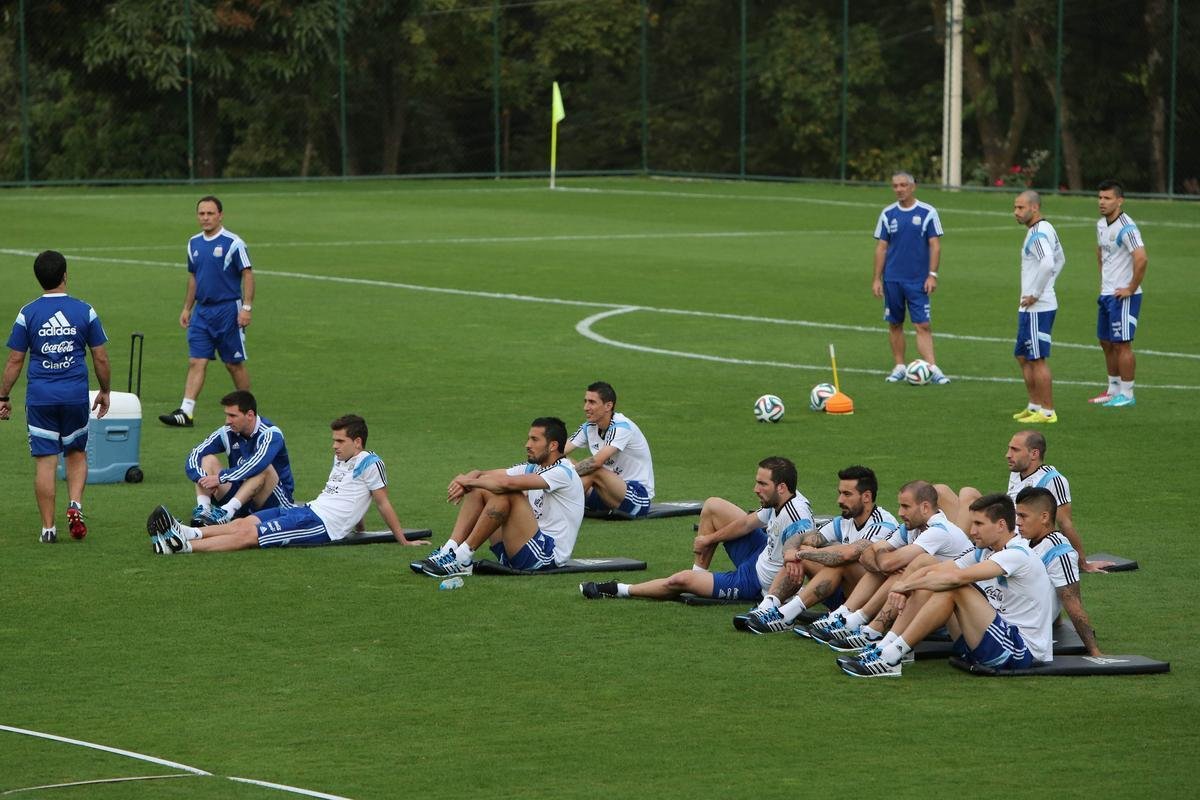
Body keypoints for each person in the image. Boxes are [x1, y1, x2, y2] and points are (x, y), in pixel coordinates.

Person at [838, 493, 1055, 678]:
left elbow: (956, 578)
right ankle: (889, 646)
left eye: (979, 524)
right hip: (991, 637)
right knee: (931, 567)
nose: (972, 531)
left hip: (1020, 650)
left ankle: (891, 656)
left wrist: (904, 587)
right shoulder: (984, 551)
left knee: (954, 587)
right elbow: (935, 570)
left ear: (1000, 525)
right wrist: (905, 584)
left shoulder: (1017, 554)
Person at [147, 415, 420, 552]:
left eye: (340, 441)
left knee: (250, 537)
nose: (334, 446)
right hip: (309, 510)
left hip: (319, 525)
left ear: (357, 442)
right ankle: (184, 531)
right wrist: (357, 528)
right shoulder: (342, 459)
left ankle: (183, 547)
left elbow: (382, 502)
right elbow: (348, 496)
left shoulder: (370, 463)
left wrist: (403, 541)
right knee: (247, 522)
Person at [579, 457, 813, 603]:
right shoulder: (782, 499)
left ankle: (618, 589)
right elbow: (746, 523)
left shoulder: (797, 518)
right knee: (713, 506)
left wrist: (772, 600)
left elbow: (801, 560)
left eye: (762, 484)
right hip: (760, 553)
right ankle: (699, 576)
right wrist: (709, 539)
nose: (755, 489)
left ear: (781, 487)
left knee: (678, 580)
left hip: (754, 582)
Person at [1, 251, 111, 543]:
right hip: (75, 395)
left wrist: (3, 396)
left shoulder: (28, 313)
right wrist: (105, 391)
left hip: (40, 398)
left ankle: (48, 529)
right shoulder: (84, 310)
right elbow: (100, 357)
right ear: (65, 275)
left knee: (45, 462)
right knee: (75, 454)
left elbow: (14, 360)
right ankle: (75, 505)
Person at [800, 480, 972, 650]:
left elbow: (887, 560)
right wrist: (884, 561)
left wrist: (885, 559)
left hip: (952, 617)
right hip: (925, 604)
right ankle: (848, 617)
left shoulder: (938, 531)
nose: (900, 512)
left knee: (900, 571)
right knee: (890, 569)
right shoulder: (911, 528)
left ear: (925, 507)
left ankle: (868, 629)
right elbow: (867, 553)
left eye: (905, 506)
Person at [417, 417, 584, 577]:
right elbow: (491, 477)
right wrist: (474, 475)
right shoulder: (536, 468)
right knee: (482, 487)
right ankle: (449, 550)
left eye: (534, 440)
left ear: (553, 445)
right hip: (521, 547)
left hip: (546, 556)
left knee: (508, 492)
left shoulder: (563, 472)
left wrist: (468, 481)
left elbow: (507, 484)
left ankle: (462, 558)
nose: (527, 445)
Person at [740, 466, 898, 634]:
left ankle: (785, 615)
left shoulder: (882, 524)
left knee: (840, 561)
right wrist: (791, 554)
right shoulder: (844, 521)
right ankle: (769, 605)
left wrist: (800, 553)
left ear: (866, 497)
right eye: (840, 493)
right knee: (804, 553)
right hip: (845, 594)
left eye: (847, 494)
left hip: (872, 601)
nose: (839, 500)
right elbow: (802, 538)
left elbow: (848, 553)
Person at [933, 430, 1110, 572]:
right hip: (1000, 526)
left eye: (1015, 450)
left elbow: (1065, 524)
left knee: (966, 494)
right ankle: (958, 544)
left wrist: (1083, 563)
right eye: (1009, 449)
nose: (1007, 455)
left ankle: (956, 549)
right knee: (944, 491)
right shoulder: (1017, 472)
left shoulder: (1053, 480)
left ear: (1034, 454)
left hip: (1010, 539)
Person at [160, 196, 254, 427]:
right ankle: (186, 411)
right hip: (202, 312)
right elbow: (194, 277)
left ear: (220, 215)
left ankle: (249, 409)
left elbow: (248, 274)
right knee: (196, 361)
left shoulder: (234, 243)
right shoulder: (193, 243)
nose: (205, 218)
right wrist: (187, 307)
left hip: (228, 310)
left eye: (210, 213)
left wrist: (246, 308)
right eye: (201, 213)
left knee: (233, 364)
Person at [872, 171, 949, 384]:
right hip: (892, 280)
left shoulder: (928, 212)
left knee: (922, 324)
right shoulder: (887, 214)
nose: (899, 189)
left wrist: (932, 275)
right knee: (895, 323)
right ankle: (899, 366)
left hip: (917, 280)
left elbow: (935, 245)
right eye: (895, 186)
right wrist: (877, 279)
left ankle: (932, 367)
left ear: (912, 187)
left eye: (903, 185)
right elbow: (882, 247)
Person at [184, 390, 295, 526]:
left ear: (249, 415)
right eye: (227, 415)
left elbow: (257, 464)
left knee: (264, 468)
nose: (227, 421)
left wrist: (220, 478)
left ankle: (226, 513)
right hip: (241, 496)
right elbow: (196, 453)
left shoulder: (271, 434)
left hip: (272, 500)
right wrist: (201, 477)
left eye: (232, 416)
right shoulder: (227, 432)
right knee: (207, 459)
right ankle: (204, 511)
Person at [1014, 487, 1102, 656]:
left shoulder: (1059, 551)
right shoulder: (1026, 541)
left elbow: (1071, 600)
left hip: (1019, 625)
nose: (1018, 522)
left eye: (1023, 516)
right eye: (1018, 515)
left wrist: (1095, 652)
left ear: (1044, 517)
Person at [1091, 179, 1148, 408]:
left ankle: (1127, 393)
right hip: (1107, 294)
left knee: (1122, 344)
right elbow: (1100, 252)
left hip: (1124, 296)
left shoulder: (1127, 227)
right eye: (1100, 198)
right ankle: (1113, 389)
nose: (1102, 202)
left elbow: (1141, 258)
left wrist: (1131, 288)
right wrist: (1104, 280)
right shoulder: (1101, 225)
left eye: (1107, 198)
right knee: (1106, 342)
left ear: (1120, 201)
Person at [1011, 190, 1065, 424]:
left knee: (1037, 358)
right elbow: (1061, 259)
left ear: (1034, 208)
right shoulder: (1043, 229)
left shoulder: (1039, 232)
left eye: (1021, 208)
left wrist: (1036, 293)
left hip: (1038, 307)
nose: (1016, 212)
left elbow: (1048, 262)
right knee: (1023, 356)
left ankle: (1048, 411)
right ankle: (1034, 406)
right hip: (1031, 306)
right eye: (1015, 207)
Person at [566, 381, 655, 517]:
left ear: (608, 406)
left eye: (592, 402)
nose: (586, 407)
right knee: (564, 461)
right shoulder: (589, 426)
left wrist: (565, 475)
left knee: (595, 470)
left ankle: (557, 509)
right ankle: (544, 502)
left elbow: (596, 462)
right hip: (605, 493)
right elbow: (558, 453)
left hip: (637, 498)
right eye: (585, 401)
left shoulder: (621, 427)